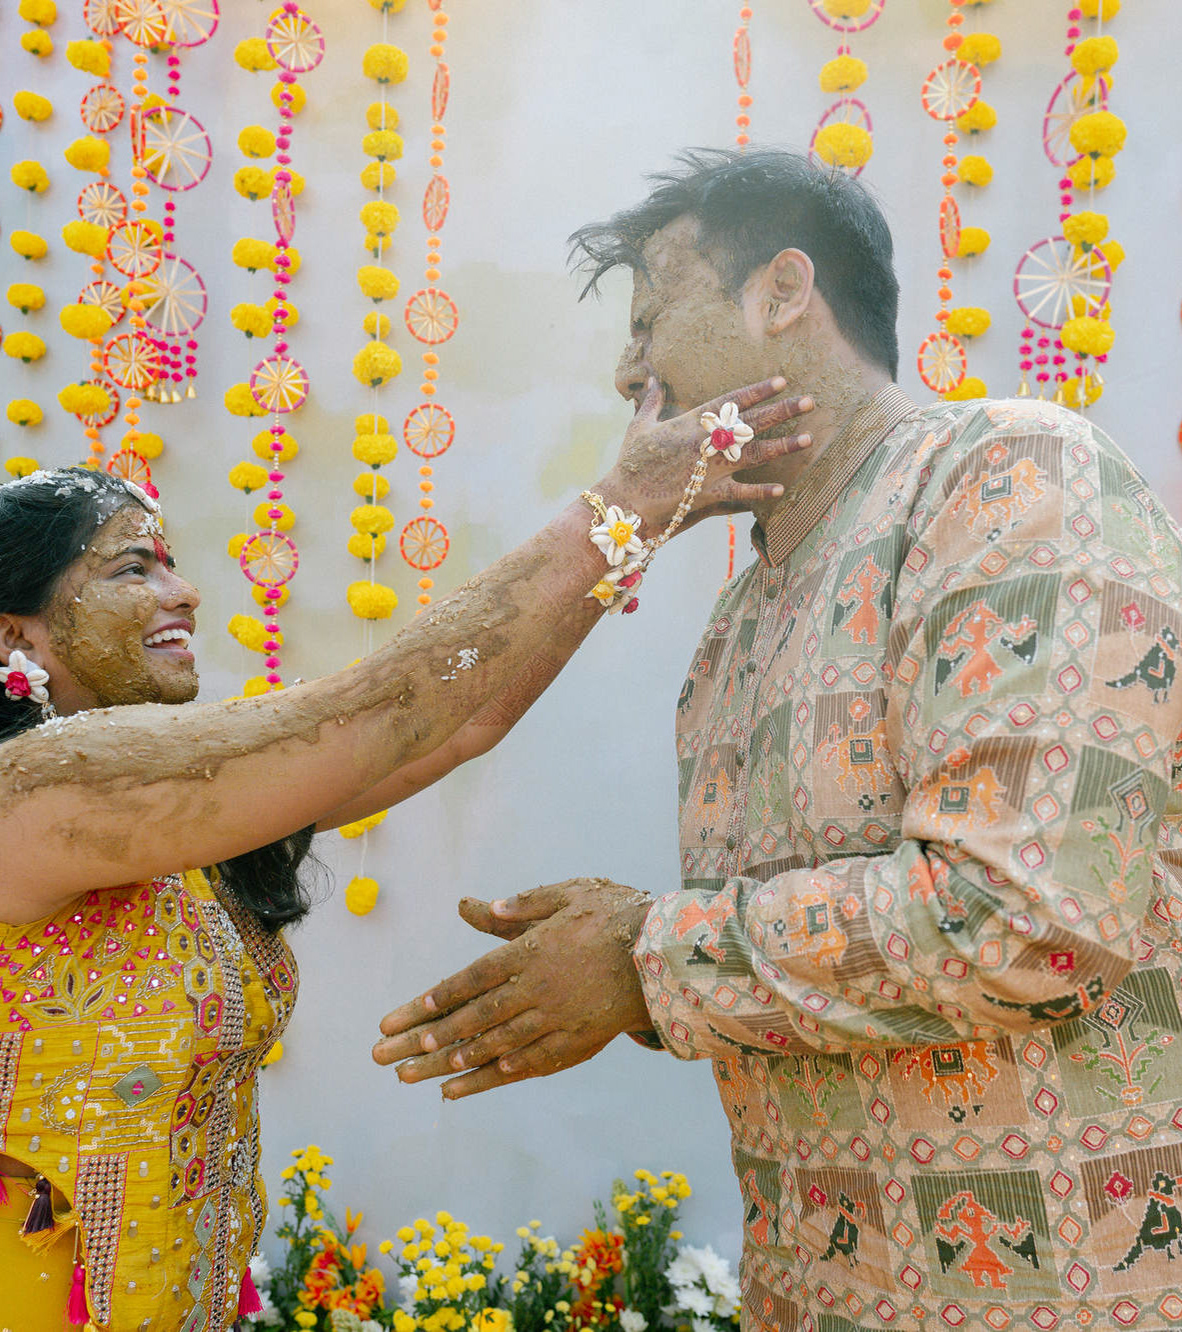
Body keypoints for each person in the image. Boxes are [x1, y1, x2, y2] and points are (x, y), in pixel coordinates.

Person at [373, 146, 1182, 1330]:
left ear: (783, 292)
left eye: (651, 320)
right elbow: (807, 976)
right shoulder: (739, 618)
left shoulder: (1006, 471)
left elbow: (1024, 920)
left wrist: (643, 960)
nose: (627, 372)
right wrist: (627, 965)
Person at [0, 376, 811, 1330]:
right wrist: (620, 503)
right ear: (12, 634)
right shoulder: (18, 793)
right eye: (133, 569)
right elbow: (387, 707)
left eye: (170, 564)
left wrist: (642, 525)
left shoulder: (163, 810)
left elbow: (457, 726)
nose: (185, 593)